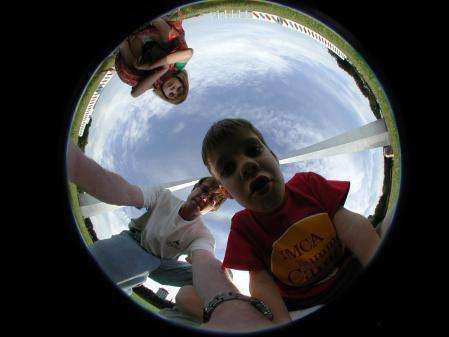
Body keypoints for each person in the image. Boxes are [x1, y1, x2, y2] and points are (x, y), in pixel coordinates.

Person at [67, 142, 277, 332]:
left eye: (212, 199)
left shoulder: (203, 234)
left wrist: (229, 301)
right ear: (193, 188)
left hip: (166, 264)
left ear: (212, 209)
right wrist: (76, 164)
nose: (204, 197)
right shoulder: (163, 197)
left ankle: (186, 318)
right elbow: (124, 192)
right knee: (127, 258)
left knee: (218, 274)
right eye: (203, 189)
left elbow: (204, 261)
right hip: (138, 244)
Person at [191, 118, 381, 326]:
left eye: (253, 150)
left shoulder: (307, 184)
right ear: (227, 192)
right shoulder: (243, 226)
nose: (246, 165)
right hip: (303, 305)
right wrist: (281, 320)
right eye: (228, 168)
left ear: (273, 157)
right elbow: (260, 280)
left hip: (349, 271)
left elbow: (351, 225)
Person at [115, 16, 193, 101]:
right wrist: (151, 66)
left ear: (164, 94)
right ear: (182, 82)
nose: (173, 89)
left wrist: (160, 71)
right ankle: (156, 19)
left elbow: (134, 94)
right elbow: (189, 53)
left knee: (136, 72)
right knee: (174, 44)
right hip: (154, 36)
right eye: (179, 88)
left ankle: (123, 44)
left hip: (135, 44)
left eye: (171, 94)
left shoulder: (154, 84)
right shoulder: (178, 67)